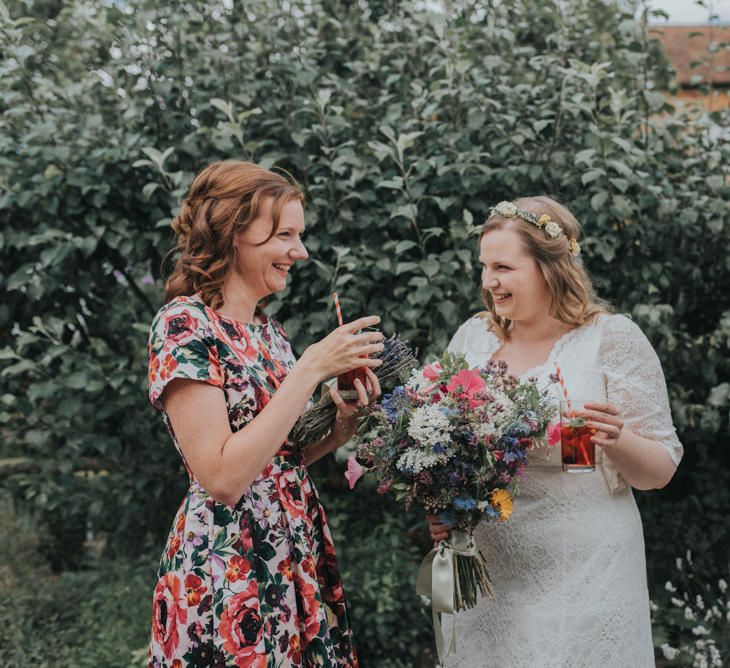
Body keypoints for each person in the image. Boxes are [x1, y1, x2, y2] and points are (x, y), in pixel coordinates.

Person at [426, 196, 683, 667]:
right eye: (484, 267)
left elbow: (660, 470)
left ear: (549, 268)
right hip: (488, 575)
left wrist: (617, 440)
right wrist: (442, 505)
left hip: (584, 570)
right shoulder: (474, 339)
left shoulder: (610, 340)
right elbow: (445, 449)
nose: (489, 282)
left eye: (503, 266)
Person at [146, 160, 381, 667]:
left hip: (293, 547)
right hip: (228, 561)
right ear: (234, 235)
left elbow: (279, 459)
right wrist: (311, 368)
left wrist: (344, 421)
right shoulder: (185, 325)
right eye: (285, 235)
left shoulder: (269, 333)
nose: (301, 251)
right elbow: (224, 476)